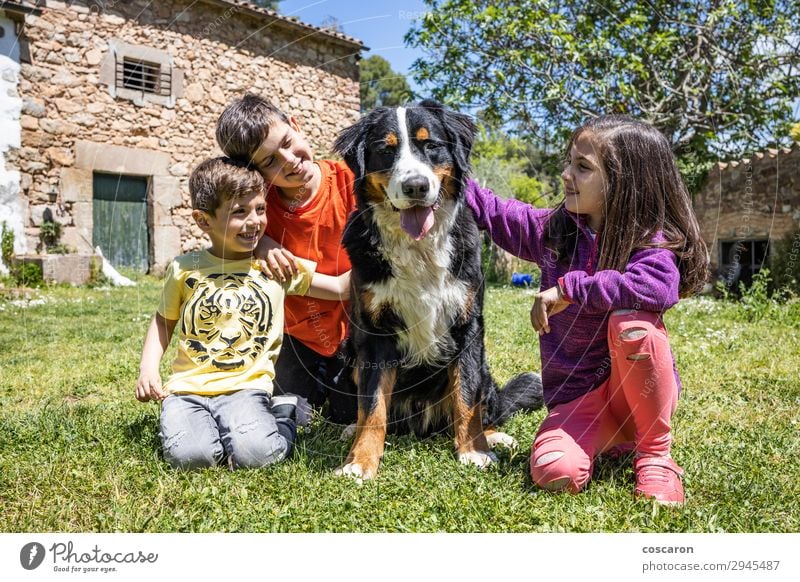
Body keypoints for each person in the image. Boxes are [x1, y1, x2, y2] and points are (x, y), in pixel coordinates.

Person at [466, 115, 709, 505]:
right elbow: (496, 212)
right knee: (555, 474)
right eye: (568, 162)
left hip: (635, 397)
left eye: (582, 167)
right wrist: (438, 168)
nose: (565, 174)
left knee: (633, 324)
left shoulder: (649, 240)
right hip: (577, 398)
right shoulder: (555, 230)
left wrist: (569, 288)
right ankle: (607, 442)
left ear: (625, 181)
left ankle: (654, 455)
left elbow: (655, 287)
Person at [135, 157, 351, 470]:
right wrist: (148, 368)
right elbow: (163, 321)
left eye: (260, 209)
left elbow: (339, 288)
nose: (255, 222)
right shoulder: (184, 269)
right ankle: (206, 431)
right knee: (192, 459)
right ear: (203, 220)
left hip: (246, 388)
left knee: (258, 456)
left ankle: (282, 413)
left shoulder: (277, 267)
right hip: (187, 390)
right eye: (240, 212)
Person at [215, 94, 357, 425]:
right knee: (293, 418)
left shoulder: (351, 181)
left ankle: (334, 388)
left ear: (295, 125)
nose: (290, 161)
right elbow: (223, 235)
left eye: (288, 144)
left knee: (348, 416)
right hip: (294, 334)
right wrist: (259, 243)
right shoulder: (258, 208)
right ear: (257, 172)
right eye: (270, 162)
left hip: (356, 330)